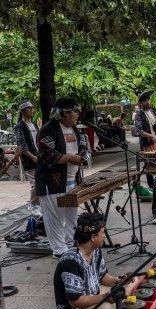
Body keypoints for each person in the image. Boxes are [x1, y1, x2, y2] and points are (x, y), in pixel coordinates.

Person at [53, 213, 137, 309]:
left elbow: (103, 276)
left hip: (94, 294)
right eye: (102, 233)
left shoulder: (95, 250)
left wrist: (119, 281)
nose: (104, 236)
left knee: (134, 281)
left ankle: (119, 302)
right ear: (93, 237)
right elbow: (75, 301)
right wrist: (105, 297)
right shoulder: (71, 262)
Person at [35, 98, 89, 258]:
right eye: (75, 111)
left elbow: (83, 147)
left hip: (72, 181)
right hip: (52, 184)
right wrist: (73, 159)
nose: (77, 115)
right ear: (65, 114)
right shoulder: (47, 129)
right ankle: (59, 250)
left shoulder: (74, 129)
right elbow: (49, 155)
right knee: (55, 218)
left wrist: (84, 155)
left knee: (71, 215)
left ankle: (70, 244)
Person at [14, 100, 40, 213]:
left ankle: (37, 203)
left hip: (39, 156)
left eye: (32, 108)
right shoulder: (19, 127)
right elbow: (22, 145)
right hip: (29, 160)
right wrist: (32, 157)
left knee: (41, 182)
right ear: (23, 111)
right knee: (35, 184)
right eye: (29, 109)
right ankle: (33, 205)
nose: (32, 110)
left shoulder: (33, 124)